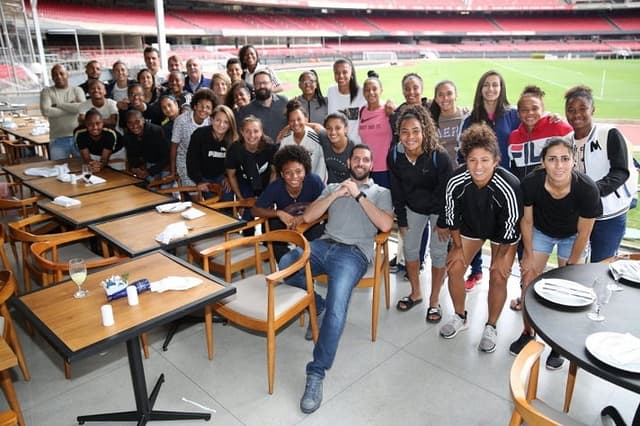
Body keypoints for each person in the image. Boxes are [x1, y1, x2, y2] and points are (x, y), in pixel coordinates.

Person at [278, 143, 393, 414]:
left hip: (353, 254)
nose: (360, 163)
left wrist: (358, 197)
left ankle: (316, 373)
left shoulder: (380, 192)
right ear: (350, 162)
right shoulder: (333, 187)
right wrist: (336, 194)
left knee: (338, 305)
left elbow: (386, 226)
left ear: (371, 164)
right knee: (287, 264)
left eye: (366, 159)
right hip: (324, 245)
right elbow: (308, 216)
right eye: (356, 159)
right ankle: (316, 305)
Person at [507, 137, 601, 369]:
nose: (559, 165)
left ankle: (559, 345)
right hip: (541, 231)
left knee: (568, 288)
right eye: (552, 159)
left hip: (573, 237)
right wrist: (527, 255)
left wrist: (571, 263)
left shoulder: (587, 189)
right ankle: (528, 333)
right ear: (543, 163)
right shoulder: (531, 183)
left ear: (573, 162)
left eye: (564, 159)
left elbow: (584, 232)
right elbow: (526, 222)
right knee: (528, 277)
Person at [438, 123, 523, 354]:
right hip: (471, 227)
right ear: (465, 159)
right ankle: (459, 315)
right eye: (473, 160)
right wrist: (456, 247)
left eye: (485, 160)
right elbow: (451, 217)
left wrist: (501, 258)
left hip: (501, 234)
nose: (478, 166)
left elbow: (510, 226)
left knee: (498, 274)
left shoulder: (510, 186)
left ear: (496, 160)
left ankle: (491, 325)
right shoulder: (455, 181)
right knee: (454, 266)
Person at [388, 104, 453, 323]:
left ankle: (434, 300)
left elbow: (447, 192)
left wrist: (443, 222)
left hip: (438, 209)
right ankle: (416, 293)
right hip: (413, 207)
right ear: (399, 133)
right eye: (405, 132)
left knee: (438, 252)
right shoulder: (395, 156)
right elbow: (396, 190)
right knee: (410, 249)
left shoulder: (439, 156)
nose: (410, 137)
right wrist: (402, 220)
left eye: (416, 130)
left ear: (424, 130)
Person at [461, 70, 520, 292]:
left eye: (495, 85)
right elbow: (464, 153)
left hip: (505, 186)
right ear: (480, 88)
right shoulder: (471, 118)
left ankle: (500, 273)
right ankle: (475, 270)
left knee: (502, 230)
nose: (491, 89)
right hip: (479, 185)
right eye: (486, 85)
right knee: (475, 228)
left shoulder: (512, 115)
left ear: (501, 88)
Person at [565, 85, 634, 262]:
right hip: (579, 215)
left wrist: (593, 191)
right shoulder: (566, 141)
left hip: (610, 214)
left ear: (592, 109)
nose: (576, 114)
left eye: (582, 109)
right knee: (576, 265)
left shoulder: (609, 134)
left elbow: (620, 171)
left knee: (602, 266)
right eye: (571, 110)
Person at [251, 145, 325, 261]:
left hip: (310, 223)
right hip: (285, 223)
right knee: (274, 228)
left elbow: (327, 207)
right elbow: (254, 210)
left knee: (316, 237)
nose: (294, 177)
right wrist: (279, 213)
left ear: (305, 171)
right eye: (288, 172)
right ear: (281, 174)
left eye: (298, 171)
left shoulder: (314, 182)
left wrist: (306, 218)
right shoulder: (276, 187)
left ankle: (310, 266)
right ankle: (287, 268)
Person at [507, 85, 573, 181]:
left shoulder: (558, 127)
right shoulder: (514, 137)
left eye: (535, 108)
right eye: (524, 110)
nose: (530, 113)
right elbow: (514, 170)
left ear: (543, 109)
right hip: (526, 193)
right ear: (518, 114)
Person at [186, 104, 238, 199]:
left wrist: (229, 177)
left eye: (226, 122)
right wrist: (199, 181)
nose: (221, 125)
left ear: (230, 125)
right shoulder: (199, 134)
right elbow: (191, 161)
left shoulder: (233, 140)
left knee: (228, 198)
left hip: (222, 176)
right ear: (211, 119)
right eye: (218, 120)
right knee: (211, 204)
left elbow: (235, 164)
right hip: (204, 176)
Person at [170, 88, 215, 186]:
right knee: (195, 191)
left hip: (203, 162)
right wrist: (173, 171)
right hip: (184, 161)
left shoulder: (211, 122)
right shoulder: (181, 121)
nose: (203, 110)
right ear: (194, 106)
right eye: (200, 106)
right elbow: (174, 147)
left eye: (208, 107)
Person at [40, 64, 85, 160]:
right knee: (58, 170)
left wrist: (58, 105)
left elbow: (82, 108)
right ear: (52, 77)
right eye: (55, 75)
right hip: (57, 139)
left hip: (79, 137)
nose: (58, 77)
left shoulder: (77, 90)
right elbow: (46, 111)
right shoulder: (47, 92)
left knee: (83, 168)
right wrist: (72, 108)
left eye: (61, 73)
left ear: (67, 75)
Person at [279, 99, 327, 182]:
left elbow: (321, 165)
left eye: (299, 119)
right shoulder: (285, 140)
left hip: (316, 183)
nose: (296, 123)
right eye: (292, 120)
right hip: (294, 184)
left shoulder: (316, 138)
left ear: (306, 119)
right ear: (288, 122)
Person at [359, 71, 392, 188]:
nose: (371, 92)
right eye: (367, 90)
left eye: (374, 89)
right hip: (366, 169)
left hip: (386, 169)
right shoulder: (362, 111)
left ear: (381, 91)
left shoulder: (389, 110)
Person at [235, 70, 288, 142]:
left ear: (272, 84)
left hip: (284, 150)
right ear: (254, 86)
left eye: (265, 83)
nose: (262, 86)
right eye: (258, 83)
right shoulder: (246, 111)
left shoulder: (284, 101)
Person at [429, 80, 469, 168]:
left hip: (463, 171)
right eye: (441, 95)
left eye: (449, 93)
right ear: (435, 99)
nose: (445, 98)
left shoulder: (466, 117)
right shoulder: (430, 121)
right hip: (440, 173)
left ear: (456, 96)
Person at [123, 109, 170, 181]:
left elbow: (167, 157)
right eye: (130, 123)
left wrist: (150, 172)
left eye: (137, 121)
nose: (134, 126)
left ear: (143, 120)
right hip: (147, 164)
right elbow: (132, 157)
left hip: (165, 165)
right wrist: (136, 168)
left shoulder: (156, 131)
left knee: (161, 188)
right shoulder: (128, 136)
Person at [326, 58, 365, 144]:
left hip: (356, 146)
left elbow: (378, 104)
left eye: (344, 72)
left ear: (351, 73)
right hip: (336, 146)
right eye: (337, 73)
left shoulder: (362, 92)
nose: (340, 76)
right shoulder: (331, 91)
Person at [318, 112, 354, 184]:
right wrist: (289, 127)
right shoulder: (324, 138)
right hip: (330, 188)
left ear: (346, 129)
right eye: (329, 128)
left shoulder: (353, 151)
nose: (333, 132)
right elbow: (316, 127)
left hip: (349, 189)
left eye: (338, 128)